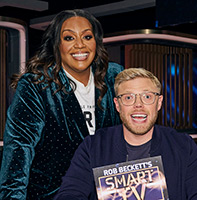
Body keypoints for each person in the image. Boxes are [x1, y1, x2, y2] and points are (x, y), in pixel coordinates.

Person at [0, 9, 123, 200]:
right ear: (56, 45)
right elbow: (18, 149)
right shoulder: (36, 85)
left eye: (87, 36)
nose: (80, 45)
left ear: (96, 42)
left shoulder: (114, 77)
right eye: (69, 38)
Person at [54, 68, 197, 200]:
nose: (138, 105)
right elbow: (70, 193)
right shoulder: (93, 146)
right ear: (118, 105)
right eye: (128, 98)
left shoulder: (182, 145)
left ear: (159, 103)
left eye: (147, 96)